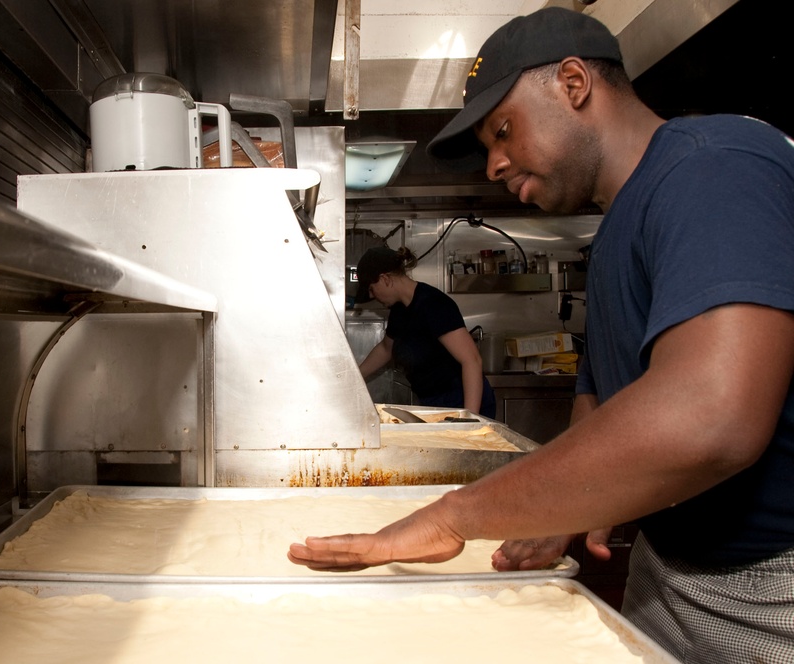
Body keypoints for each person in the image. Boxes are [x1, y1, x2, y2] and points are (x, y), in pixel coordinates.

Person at [290, 7, 794, 662]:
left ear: (574, 83)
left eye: (503, 131)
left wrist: (454, 514)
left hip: (771, 590)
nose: (494, 164)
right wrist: (557, 510)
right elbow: (601, 402)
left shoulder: (714, 167)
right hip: (666, 567)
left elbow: (712, 417)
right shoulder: (617, 231)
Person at [354, 245, 495, 418]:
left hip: (460, 400)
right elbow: (386, 349)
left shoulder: (433, 304)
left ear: (385, 279)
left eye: (371, 289)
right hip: (433, 401)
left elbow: (471, 360)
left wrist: (469, 418)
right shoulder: (400, 309)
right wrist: (354, 377)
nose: (372, 296)